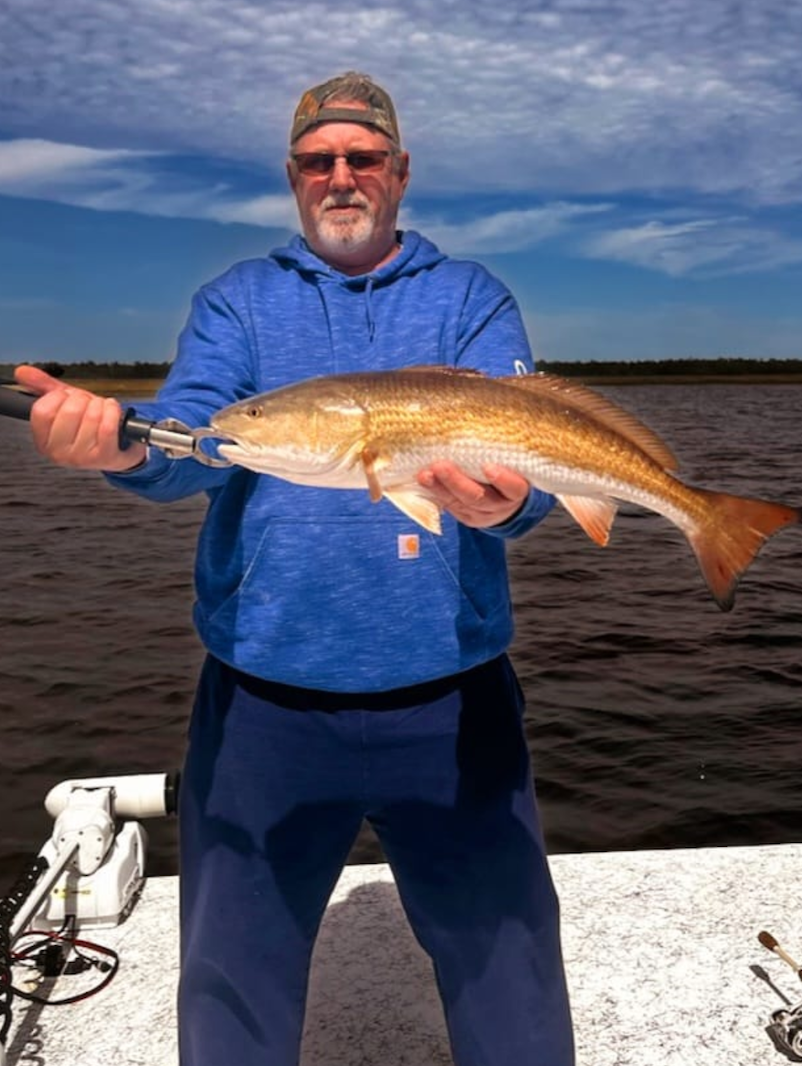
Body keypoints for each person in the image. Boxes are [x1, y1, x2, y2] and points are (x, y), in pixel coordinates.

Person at [16, 72, 575, 1066]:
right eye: (319, 160)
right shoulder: (237, 301)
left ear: (399, 173)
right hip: (261, 712)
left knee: (511, 983)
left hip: (454, 707)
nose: (341, 176)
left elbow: (527, 469)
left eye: (363, 157)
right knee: (232, 986)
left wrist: (512, 504)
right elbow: (190, 444)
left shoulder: (470, 299)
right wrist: (116, 450)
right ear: (293, 176)